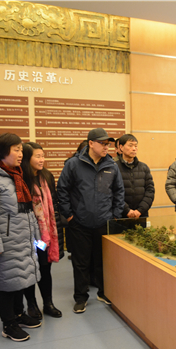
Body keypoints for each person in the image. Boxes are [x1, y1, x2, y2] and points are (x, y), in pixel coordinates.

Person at [0, 133, 42, 342]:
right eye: (16, 150)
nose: (21, 154)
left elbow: (26, 210)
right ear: (3, 152)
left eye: (21, 150)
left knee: (20, 280)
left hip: (23, 238)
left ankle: (19, 315)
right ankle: (8, 324)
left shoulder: (16, 174)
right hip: (6, 241)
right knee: (7, 284)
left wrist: (36, 237)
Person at [57, 128, 125, 313]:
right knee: (81, 263)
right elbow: (62, 190)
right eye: (102, 143)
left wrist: (115, 215)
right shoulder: (73, 164)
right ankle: (80, 298)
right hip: (79, 223)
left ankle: (104, 292)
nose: (106, 147)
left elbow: (119, 192)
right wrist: (69, 215)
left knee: (103, 261)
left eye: (107, 144)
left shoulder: (111, 165)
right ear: (91, 144)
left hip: (104, 222)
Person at [21, 142, 65, 319]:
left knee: (45, 268)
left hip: (45, 236)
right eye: (37, 156)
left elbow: (53, 204)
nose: (42, 160)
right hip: (30, 234)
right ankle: (31, 305)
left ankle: (48, 303)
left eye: (43, 156)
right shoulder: (21, 178)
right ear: (27, 158)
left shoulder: (46, 176)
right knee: (30, 269)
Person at [115, 134, 155, 222]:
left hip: (141, 215)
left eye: (136, 146)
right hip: (121, 215)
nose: (134, 149)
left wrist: (140, 210)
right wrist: (127, 210)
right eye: (130, 145)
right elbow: (113, 193)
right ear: (121, 147)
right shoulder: (114, 167)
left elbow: (150, 191)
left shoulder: (143, 167)